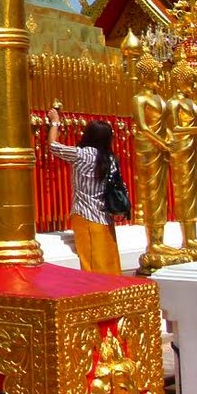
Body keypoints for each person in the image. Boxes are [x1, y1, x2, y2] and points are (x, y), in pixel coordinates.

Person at [47, 108, 123, 276]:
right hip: (105, 218)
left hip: (86, 215)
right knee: (109, 261)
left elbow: (53, 146)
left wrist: (55, 122)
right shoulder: (111, 158)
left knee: (92, 263)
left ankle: (99, 295)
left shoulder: (83, 154)